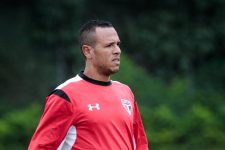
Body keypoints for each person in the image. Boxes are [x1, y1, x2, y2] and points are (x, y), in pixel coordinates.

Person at [28, 20, 149, 150]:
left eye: (118, 44)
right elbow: (41, 147)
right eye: (109, 45)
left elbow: (140, 143)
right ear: (87, 51)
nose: (117, 50)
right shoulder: (66, 95)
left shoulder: (125, 92)